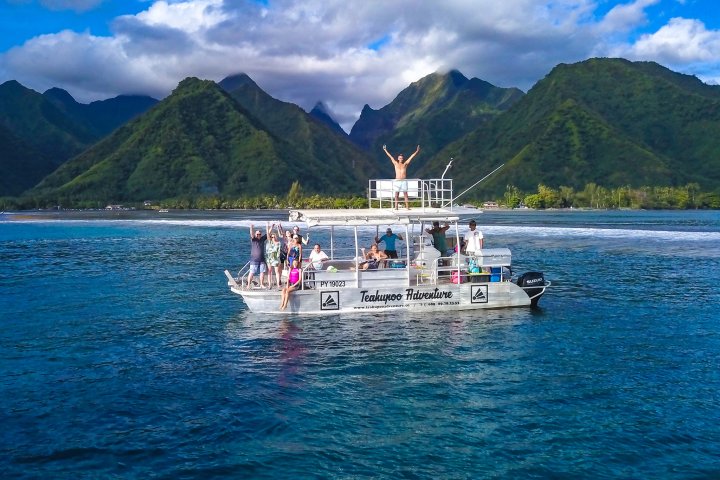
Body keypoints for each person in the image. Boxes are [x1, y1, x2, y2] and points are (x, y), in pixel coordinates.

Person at [383, 144, 421, 209]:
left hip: (403, 180)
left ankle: (407, 207)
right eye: (400, 158)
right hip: (397, 180)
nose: (401, 159)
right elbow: (390, 157)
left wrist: (417, 151)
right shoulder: (395, 163)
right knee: (396, 194)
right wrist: (385, 150)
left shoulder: (405, 164)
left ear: (403, 159)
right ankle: (396, 207)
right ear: (398, 158)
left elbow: (411, 157)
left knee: (405, 194)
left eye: (402, 158)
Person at [246, 224, 267, 288]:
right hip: (254, 259)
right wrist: (251, 227)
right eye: (257, 234)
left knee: (262, 272)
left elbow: (268, 233)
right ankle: (248, 285)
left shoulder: (262, 239)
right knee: (251, 272)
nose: (258, 235)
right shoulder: (254, 239)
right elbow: (251, 234)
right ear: (255, 235)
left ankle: (261, 284)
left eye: (259, 234)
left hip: (262, 259)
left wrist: (269, 227)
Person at [265, 223, 283, 289]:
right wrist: (269, 227)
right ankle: (270, 285)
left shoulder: (278, 243)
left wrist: (278, 259)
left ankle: (278, 284)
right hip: (269, 258)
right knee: (269, 271)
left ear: (276, 236)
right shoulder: (269, 242)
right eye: (272, 237)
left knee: (277, 272)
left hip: (276, 258)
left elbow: (278, 251)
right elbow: (267, 233)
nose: (273, 238)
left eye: (274, 236)